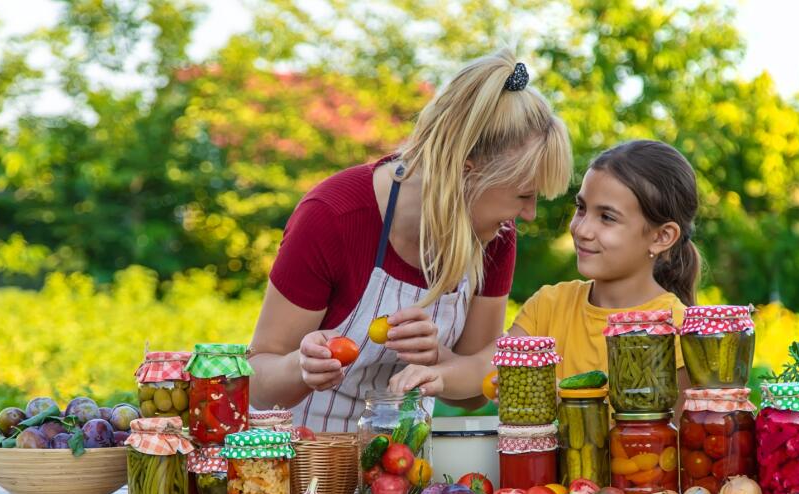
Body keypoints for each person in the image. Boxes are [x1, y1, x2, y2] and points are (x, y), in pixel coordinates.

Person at [248, 49, 572, 432]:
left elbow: (470, 393)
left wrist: (440, 357)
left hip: (404, 477)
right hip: (304, 467)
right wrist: (299, 367)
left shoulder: (493, 234)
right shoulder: (334, 216)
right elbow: (255, 380)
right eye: (524, 195)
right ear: (466, 173)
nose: (530, 214)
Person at [391, 140, 702, 405]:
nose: (582, 229)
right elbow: (486, 367)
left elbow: (664, 448)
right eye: (582, 208)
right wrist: (436, 372)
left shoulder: (677, 330)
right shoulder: (550, 305)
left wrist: (567, 405)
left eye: (607, 217)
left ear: (662, 237)